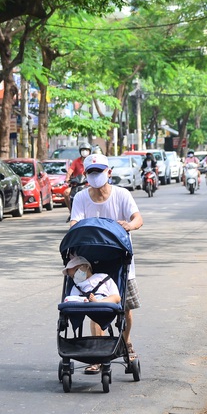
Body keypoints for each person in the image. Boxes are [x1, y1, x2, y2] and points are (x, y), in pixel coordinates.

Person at [70, 153, 144, 373]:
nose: (95, 176)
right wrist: (76, 230)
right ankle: (97, 354)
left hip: (120, 259)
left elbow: (137, 218)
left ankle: (125, 341)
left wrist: (129, 226)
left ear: (109, 173)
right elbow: (75, 221)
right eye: (91, 172)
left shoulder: (122, 195)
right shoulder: (81, 197)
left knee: (125, 308)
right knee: (94, 304)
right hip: (91, 259)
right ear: (85, 175)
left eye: (99, 172)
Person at [64, 143, 91, 209]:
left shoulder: (91, 161)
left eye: (86, 150)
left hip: (89, 185)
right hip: (77, 185)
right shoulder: (76, 161)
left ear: (90, 151)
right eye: (83, 150)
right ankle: (71, 210)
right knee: (66, 193)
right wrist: (67, 178)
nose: (84, 152)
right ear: (80, 151)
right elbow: (70, 170)